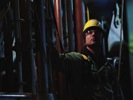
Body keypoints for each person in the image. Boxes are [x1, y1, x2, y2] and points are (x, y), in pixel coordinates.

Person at [51, 19, 121, 100]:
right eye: (89, 32)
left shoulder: (109, 67)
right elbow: (55, 60)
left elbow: (117, 93)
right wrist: (47, 34)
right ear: (85, 38)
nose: (93, 34)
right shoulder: (77, 60)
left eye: (97, 32)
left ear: (101, 37)